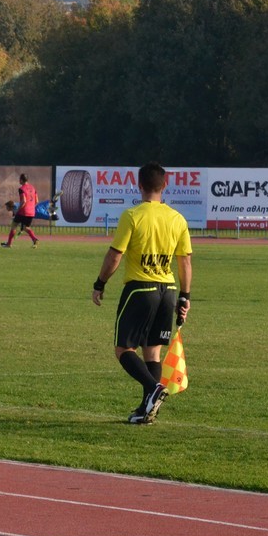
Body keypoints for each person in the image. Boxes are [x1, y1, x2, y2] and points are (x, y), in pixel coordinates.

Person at [91, 163, 192, 425]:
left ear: (139, 185)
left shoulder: (132, 215)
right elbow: (185, 261)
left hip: (140, 288)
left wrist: (100, 283)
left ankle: (154, 387)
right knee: (152, 353)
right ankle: (147, 410)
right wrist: (185, 296)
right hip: (168, 290)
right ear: (165, 185)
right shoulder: (177, 219)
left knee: (123, 349)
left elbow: (115, 255)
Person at [2, 173, 40, 248]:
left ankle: (9, 244)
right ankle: (34, 239)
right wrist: (31, 207)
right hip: (31, 212)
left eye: (19, 179)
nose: (19, 180)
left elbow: (23, 201)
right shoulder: (33, 188)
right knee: (26, 228)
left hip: (23, 211)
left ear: (22, 180)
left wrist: (18, 210)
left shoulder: (22, 189)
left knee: (14, 225)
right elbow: (37, 201)